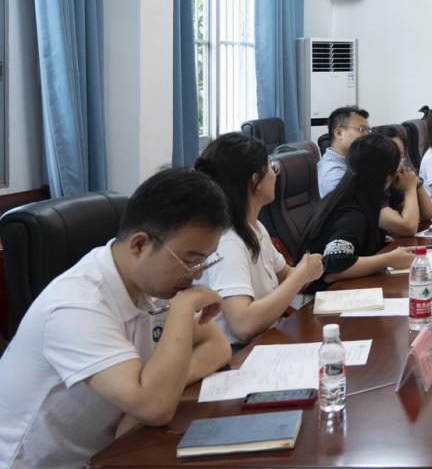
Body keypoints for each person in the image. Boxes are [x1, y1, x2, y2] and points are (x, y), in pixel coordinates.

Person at [0, 169, 233, 467]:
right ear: (139, 245)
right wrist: (183, 308)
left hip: (112, 451)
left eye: (204, 261)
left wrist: (152, 397)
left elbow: (217, 346)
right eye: (189, 260)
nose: (197, 275)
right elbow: (156, 407)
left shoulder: (154, 281)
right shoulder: (75, 306)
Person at [196, 133, 327, 346]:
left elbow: (286, 275)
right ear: (255, 180)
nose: (275, 175)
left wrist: (308, 270)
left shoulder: (254, 227)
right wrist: (301, 275)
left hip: (268, 341)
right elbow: (242, 325)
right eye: (272, 167)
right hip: (238, 354)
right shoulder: (227, 242)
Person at [301, 133, 418, 288]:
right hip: (321, 295)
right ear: (388, 178)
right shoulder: (352, 213)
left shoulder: (353, 194)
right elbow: (334, 264)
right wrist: (388, 259)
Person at [373, 125, 432, 236]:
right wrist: (410, 189)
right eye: (392, 153)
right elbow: (409, 228)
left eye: (400, 154)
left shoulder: (396, 180)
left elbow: (427, 214)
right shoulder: (371, 186)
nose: (397, 159)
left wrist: (416, 183)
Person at [317, 105, 371, 197]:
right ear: (339, 133)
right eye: (362, 129)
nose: (367, 136)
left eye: (368, 131)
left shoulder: (352, 160)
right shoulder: (333, 173)